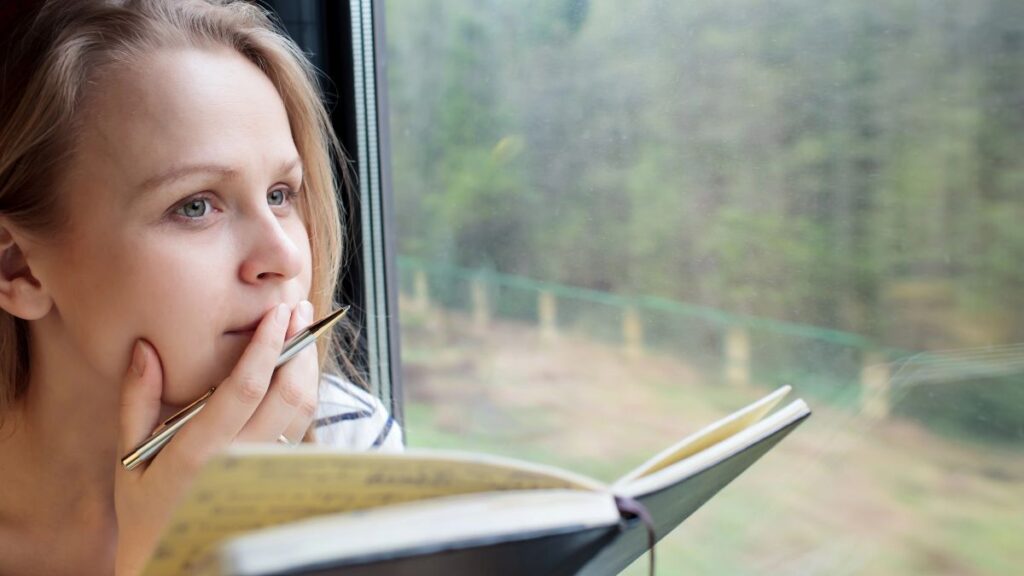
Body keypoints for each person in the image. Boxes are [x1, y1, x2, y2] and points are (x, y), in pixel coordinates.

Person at [0, 0, 403, 573]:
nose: (285, 257)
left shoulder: (354, 451)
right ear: (18, 268)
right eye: (195, 206)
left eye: (281, 195)